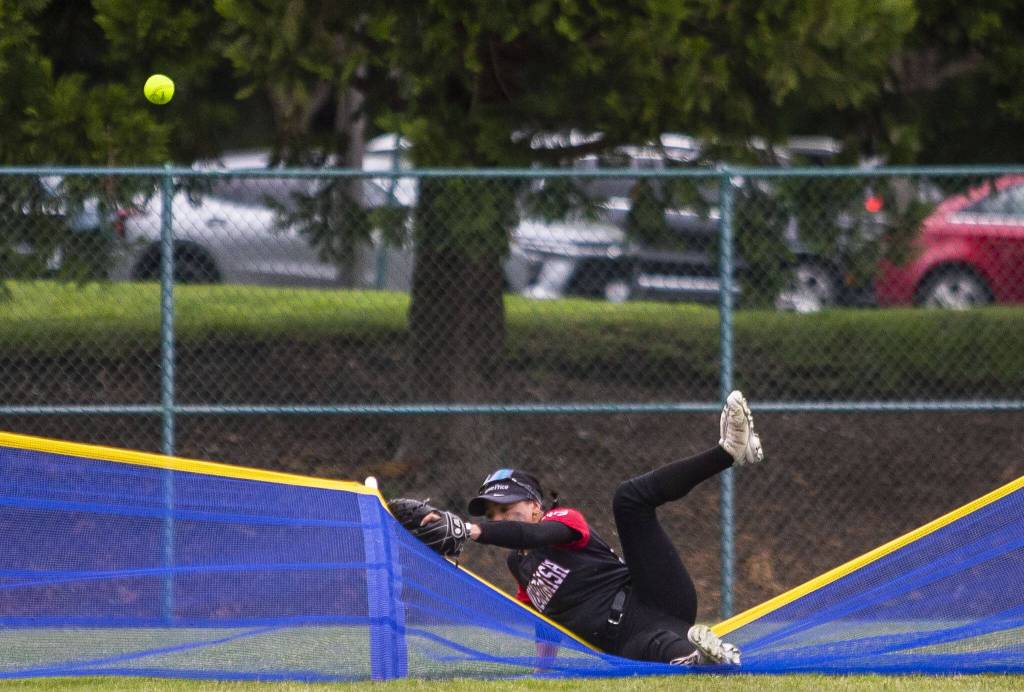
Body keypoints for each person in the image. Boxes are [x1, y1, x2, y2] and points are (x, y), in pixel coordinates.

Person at [458, 390, 764, 666]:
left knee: (628, 499)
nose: (498, 518)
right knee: (672, 652)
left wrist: (469, 531)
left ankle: (728, 451)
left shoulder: (562, 520)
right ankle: (706, 658)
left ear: (536, 506)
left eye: (507, 508)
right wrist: (542, 673)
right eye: (492, 513)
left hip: (653, 597)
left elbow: (532, 535)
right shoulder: (517, 563)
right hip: (627, 642)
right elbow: (543, 622)